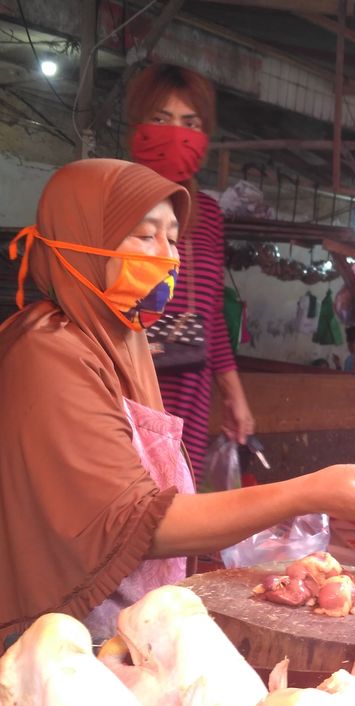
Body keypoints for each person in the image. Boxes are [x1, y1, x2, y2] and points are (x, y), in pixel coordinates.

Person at [0, 160, 355, 684]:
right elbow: (135, 523)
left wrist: (320, 534)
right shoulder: (44, 355)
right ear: (83, 238)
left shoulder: (120, 337)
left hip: (104, 642)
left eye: (173, 238)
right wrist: (309, 493)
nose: (167, 257)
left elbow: (153, 496)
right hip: (28, 658)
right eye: (143, 235)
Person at [126, 63, 254, 475]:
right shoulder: (110, 199)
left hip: (188, 387)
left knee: (177, 505)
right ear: (137, 125)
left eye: (189, 122)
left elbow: (211, 312)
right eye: (160, 119)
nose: (175, 133)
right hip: (123, 380)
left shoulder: (209, 216)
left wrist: (234, 395)